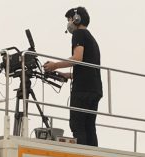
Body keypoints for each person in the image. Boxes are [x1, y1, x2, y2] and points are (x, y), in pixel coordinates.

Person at [44, 7, 102, 146]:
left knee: (77, 125)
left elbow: (77, 58)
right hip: (94, 89)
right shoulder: (91, 38)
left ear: (76, 19)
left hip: (82, 90)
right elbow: (87, 69)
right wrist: (67, 75)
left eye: (69, 19)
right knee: (89, 126)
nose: (68, 23)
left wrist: (55, 65)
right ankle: (93, 155)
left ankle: (83, 155)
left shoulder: (79, 34)